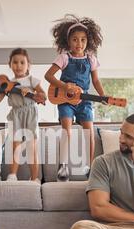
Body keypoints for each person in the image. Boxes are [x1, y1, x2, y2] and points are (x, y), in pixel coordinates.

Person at [45, 14, 105, 181]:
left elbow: (96, 80)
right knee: (67, 130)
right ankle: (63, 166)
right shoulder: (64, 57)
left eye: (83, 40)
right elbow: (48, 76)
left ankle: (90, 166)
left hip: (83, 100)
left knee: (89, 132)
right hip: (65, 100)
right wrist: (65, 86)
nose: (79, 44)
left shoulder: (91, 59)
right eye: (75, 40)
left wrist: (103, 95)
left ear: (88, 41)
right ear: (68, 41)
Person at [0, 48, 46, 182]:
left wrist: (32, 93)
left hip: (30, 113)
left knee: (32, 148)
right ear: (10, 65)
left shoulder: (32, 80)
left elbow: (43, 96)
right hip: (16, 114)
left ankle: (35, 178)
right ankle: (12, 175)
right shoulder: (8, 83)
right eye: (15, 62)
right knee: (16, 146)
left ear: (28, 65)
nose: (18, 66)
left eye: (22, 63)